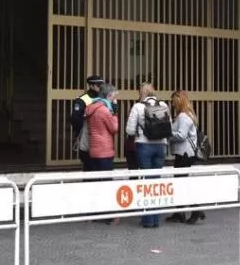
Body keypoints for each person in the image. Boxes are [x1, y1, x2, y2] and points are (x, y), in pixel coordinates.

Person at [125, 82, 172, 229]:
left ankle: (147, 220)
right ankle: (156, 219)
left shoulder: (138, 107)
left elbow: (130, 131)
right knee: (156, 182)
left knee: (146, 182)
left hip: (144, 146)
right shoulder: (163, 104)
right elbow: (168, 125)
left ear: (141, 92)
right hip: (161, 146)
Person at [167, 90, 205, 225]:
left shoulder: (183, 116)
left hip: (184, 154)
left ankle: (196, 210)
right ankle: (180, 212)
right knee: (181, 183)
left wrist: (168, 134)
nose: (172, 104)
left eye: (173, 101)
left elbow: (181, 135)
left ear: (178, 101)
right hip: (185, 154)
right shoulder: (188, 115)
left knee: (182, 184)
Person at [85, 83, 121, 226]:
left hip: (94, 149)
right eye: (113, 96)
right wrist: (115, 113)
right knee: (106, 184)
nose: (114, 99)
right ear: (108, 95)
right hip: (105, 150)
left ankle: (93, 213)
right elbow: (114, 128)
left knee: (96, 183)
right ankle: (109, 215)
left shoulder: (91, 107)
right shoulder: (105, 110)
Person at [71, 75, 104, 171]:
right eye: (98, 85)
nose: (101, 87)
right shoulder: (82, 99)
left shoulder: (104, 98)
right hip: (88, 138)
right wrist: (80, 133)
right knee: (89, 168)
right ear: (91, 86)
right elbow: (75, 119)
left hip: (101, 140)